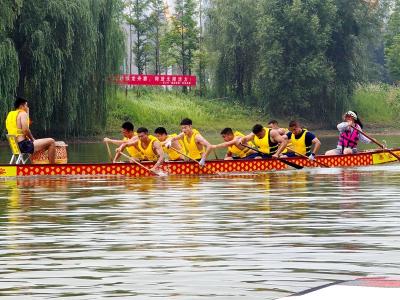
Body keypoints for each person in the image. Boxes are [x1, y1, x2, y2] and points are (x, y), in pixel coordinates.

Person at [5, 96, 56, 163]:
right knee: (51, 141)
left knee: (41, 144)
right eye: (26, 105)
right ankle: (52, 167)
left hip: (15, 146)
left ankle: (39, 164)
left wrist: (27, 113)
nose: (27, 107)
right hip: (24, 146)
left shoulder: (10, 114)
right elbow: (25, 130)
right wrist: (32, 139)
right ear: (21, 106)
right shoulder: (22, 113)